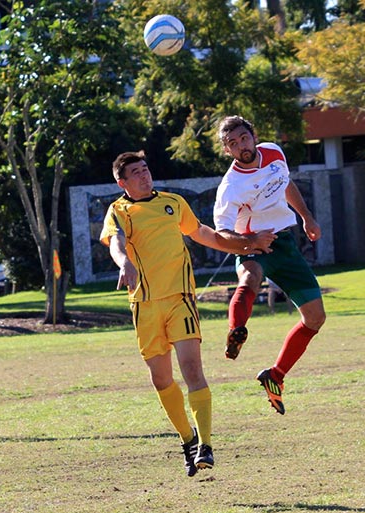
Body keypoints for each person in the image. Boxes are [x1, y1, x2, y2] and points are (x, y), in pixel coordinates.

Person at [100, 151, 275, 476]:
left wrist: (246, 244)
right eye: (136, 173)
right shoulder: (119, 210)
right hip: (144, 305)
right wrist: (124, 262)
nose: (144, 175)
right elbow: (116, 242)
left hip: (180, 299)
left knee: (192, 369)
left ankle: (206, 445)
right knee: (162, 379)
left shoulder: (173, 203)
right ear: (122, 182)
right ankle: (187, 440)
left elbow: (205, 235)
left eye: (146, 168)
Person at [214, 116, 326, 415]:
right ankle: (236, 330)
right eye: (233, 144)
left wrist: (307, 217)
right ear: (227, 151)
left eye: (243, 138)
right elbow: (222, 235)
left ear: (253, 135)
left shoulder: (274, 152)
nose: (241, 147)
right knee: (250, 278)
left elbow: (285, 184)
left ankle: (275, 375)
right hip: (252, 245)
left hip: (285, 244)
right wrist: (251, 241)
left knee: (315, 317)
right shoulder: (230, 187)